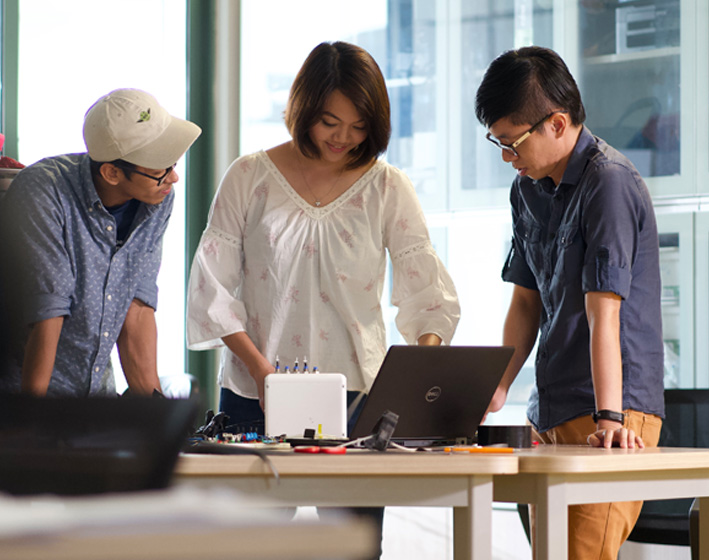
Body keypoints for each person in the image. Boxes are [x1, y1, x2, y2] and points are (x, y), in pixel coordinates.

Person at [186, 41, 459, 557]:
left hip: (359, 399)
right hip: (253, 392)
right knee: (251, 547)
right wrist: (262, 371)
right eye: (331, 122)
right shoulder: (249, 177)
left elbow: (429, 294)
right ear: (304, 109)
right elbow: (211, 288)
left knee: (354, 549)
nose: (344, 138)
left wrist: (417, 368)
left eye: (359, 127)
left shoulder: (387, 187)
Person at [476, 46, 665, 559]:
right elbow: (524, 304)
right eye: (497, 140)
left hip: (612, 408)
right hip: (553, 408)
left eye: (511, 141)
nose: (505, 156)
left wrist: (610, 419)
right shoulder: (527, 190)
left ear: (557, 124)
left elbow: (606, 315)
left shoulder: (609, 183)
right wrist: (495, 389)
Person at [0, 89, 200, 397]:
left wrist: (157, 416)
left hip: (93, 400)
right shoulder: (44, 191)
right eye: (162, 169)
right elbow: (48, 310)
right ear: (111, 172)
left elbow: (138, 307)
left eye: (172, 164)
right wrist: (32, 422)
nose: (173, 178)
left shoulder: (156, 200)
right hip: (26, 396)